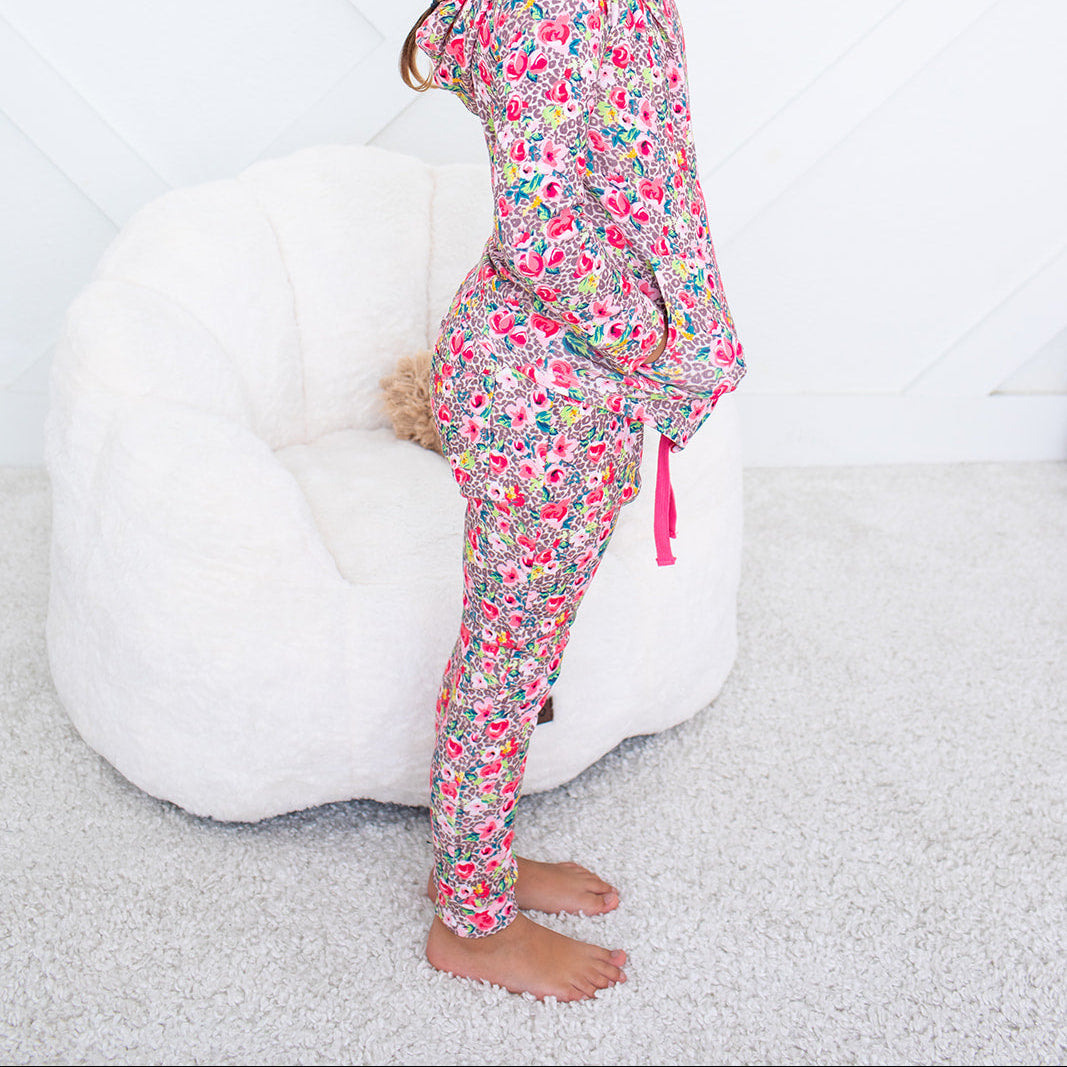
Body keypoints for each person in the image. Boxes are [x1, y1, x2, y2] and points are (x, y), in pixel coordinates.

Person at [398, 0, 745, 1001]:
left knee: (527, 646)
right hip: (543, 389)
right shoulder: (562, 16)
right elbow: (544, 236)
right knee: (505, 660)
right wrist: (660, 345)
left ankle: (478, 852)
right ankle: (470, 919)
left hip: (563, 380)